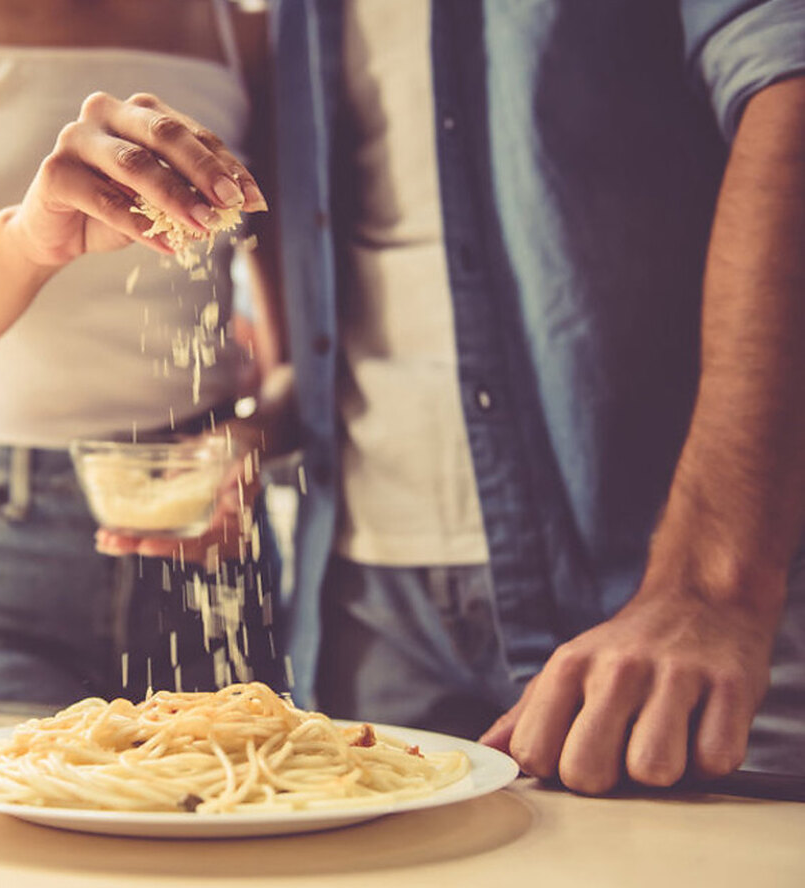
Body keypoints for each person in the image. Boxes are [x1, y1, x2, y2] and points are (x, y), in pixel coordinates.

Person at [264, 0, 805, 795]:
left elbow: (788, 78)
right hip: (367, 604)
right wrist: (265, 418)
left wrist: (715, 576)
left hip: (677, 598)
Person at [0, 0, 287, 705]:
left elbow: (303, 361)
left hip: (205, 555)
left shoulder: (246, 30)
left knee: (245, 798)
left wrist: (251, 436)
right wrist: (28, 244)